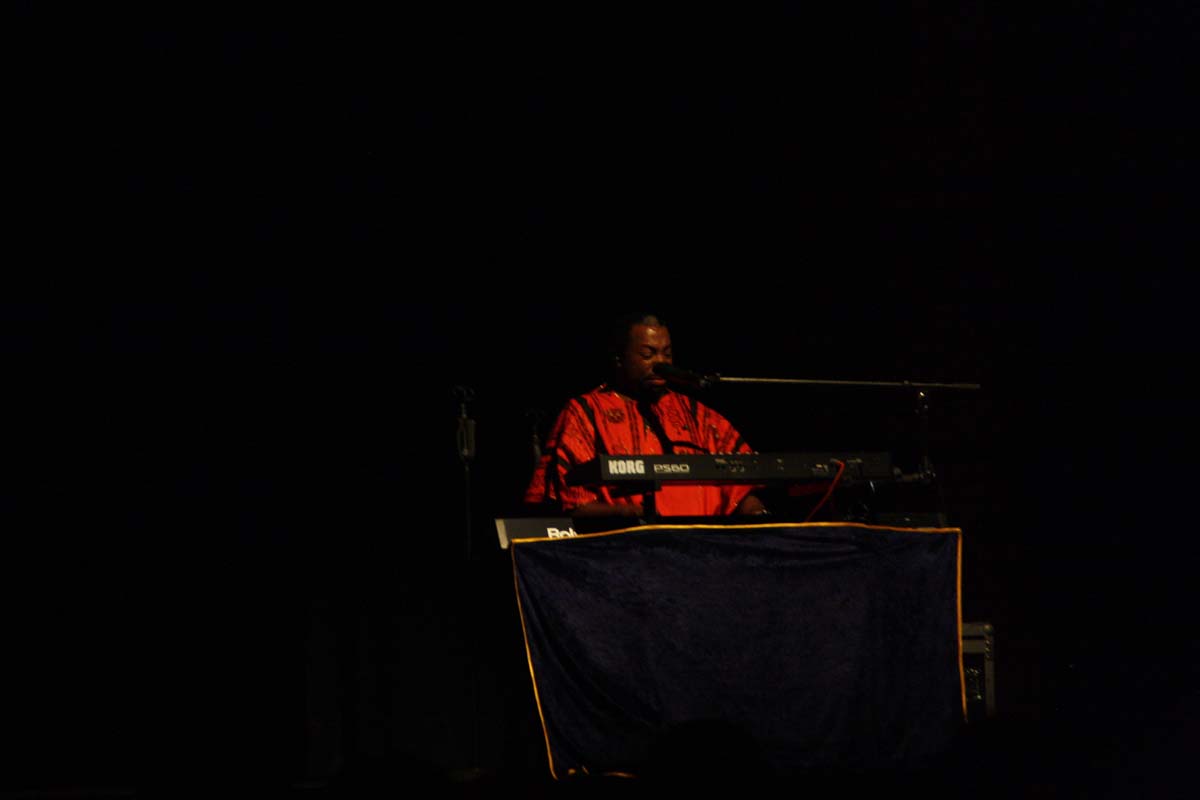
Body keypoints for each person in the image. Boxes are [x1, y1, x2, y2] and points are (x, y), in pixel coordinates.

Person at [524, 313, 767, 518]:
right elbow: (573, 505)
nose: (660, 364)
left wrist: (759, 518)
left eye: (667, 354)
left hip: (707, 546)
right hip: (626, 547)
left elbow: (742, 489)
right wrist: (636, 515)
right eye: (648, 355)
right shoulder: (585, 412)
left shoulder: (698, 416)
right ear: (619, 358)